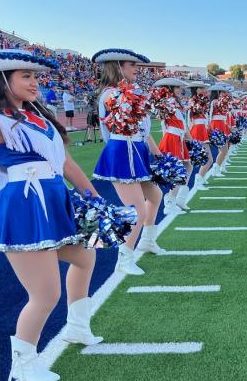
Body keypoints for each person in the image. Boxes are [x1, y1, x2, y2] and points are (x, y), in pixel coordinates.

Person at [0, 49, 103, 381]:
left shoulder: (39, 116)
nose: (35, 83)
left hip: (54, 199)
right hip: (26, 206)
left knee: (85, 257)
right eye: (26, 76)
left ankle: (77, 327)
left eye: (35, 76)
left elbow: (66, 164)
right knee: (44, 294)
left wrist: (94, 196)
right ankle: (23, 365)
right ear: (2, 81)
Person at [91, 48, 165, 275]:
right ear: (118, 67)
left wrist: (155, 153)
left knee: (155, 196)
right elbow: (111, 130)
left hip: (136, 149)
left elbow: (143, 128)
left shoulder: (129, 93)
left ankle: (147, 241)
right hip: (123, 151)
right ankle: (123, 260)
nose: (136, 70)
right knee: (136, 211)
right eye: (132, 65)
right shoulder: (111, 94)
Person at [154, 77, 192, 213]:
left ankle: (179, 199)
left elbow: (182, 123)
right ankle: (170, 202)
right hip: (172, 138)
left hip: (179, 138)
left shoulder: (175, 103)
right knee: (178, 171)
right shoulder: (167, 102)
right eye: (176, 88)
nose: (180, 90)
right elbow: (162, 120)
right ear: (169, 89)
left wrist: (189, 138)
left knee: (188, 166)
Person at [186, 80, 213, 188]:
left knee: (207, 159)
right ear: (195, 89)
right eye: (200, 88)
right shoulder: (192, 101)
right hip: (197, 130)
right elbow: (189, 118)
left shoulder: (203, 101)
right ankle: (197, 180)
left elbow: (205, 116)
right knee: (202, 159)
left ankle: (199, 178)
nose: (203, 90)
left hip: (203, 130)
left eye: (203, 88)